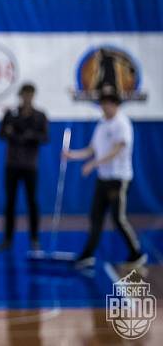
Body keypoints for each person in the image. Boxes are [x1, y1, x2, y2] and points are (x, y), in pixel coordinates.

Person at [63, 86, 147, 269]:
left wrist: (94, 163)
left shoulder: (121, 123)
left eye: (107, 104)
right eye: (102, 104)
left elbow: (118, 148)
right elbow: (92, 149)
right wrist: (73, 155)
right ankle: (88, 255)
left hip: (118, 178)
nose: (104, 107)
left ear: (115, 105)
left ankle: (136, 253)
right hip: (103, 178)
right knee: (96, 217)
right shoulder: (101, 124)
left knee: (118, 218)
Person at [0, 83, 49, 251]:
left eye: (30, 95)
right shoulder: (10, 114)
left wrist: (29, 135)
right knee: (10, 202)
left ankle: (34, 238)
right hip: (12, 164)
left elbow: (45, 137)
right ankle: (7, 239)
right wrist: (11, 133)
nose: (27, 98)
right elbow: (1, 133)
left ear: (33, 96)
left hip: (30, 165)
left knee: (32, 202)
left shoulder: (40, 116)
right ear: (20, 96)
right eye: (24, 95)